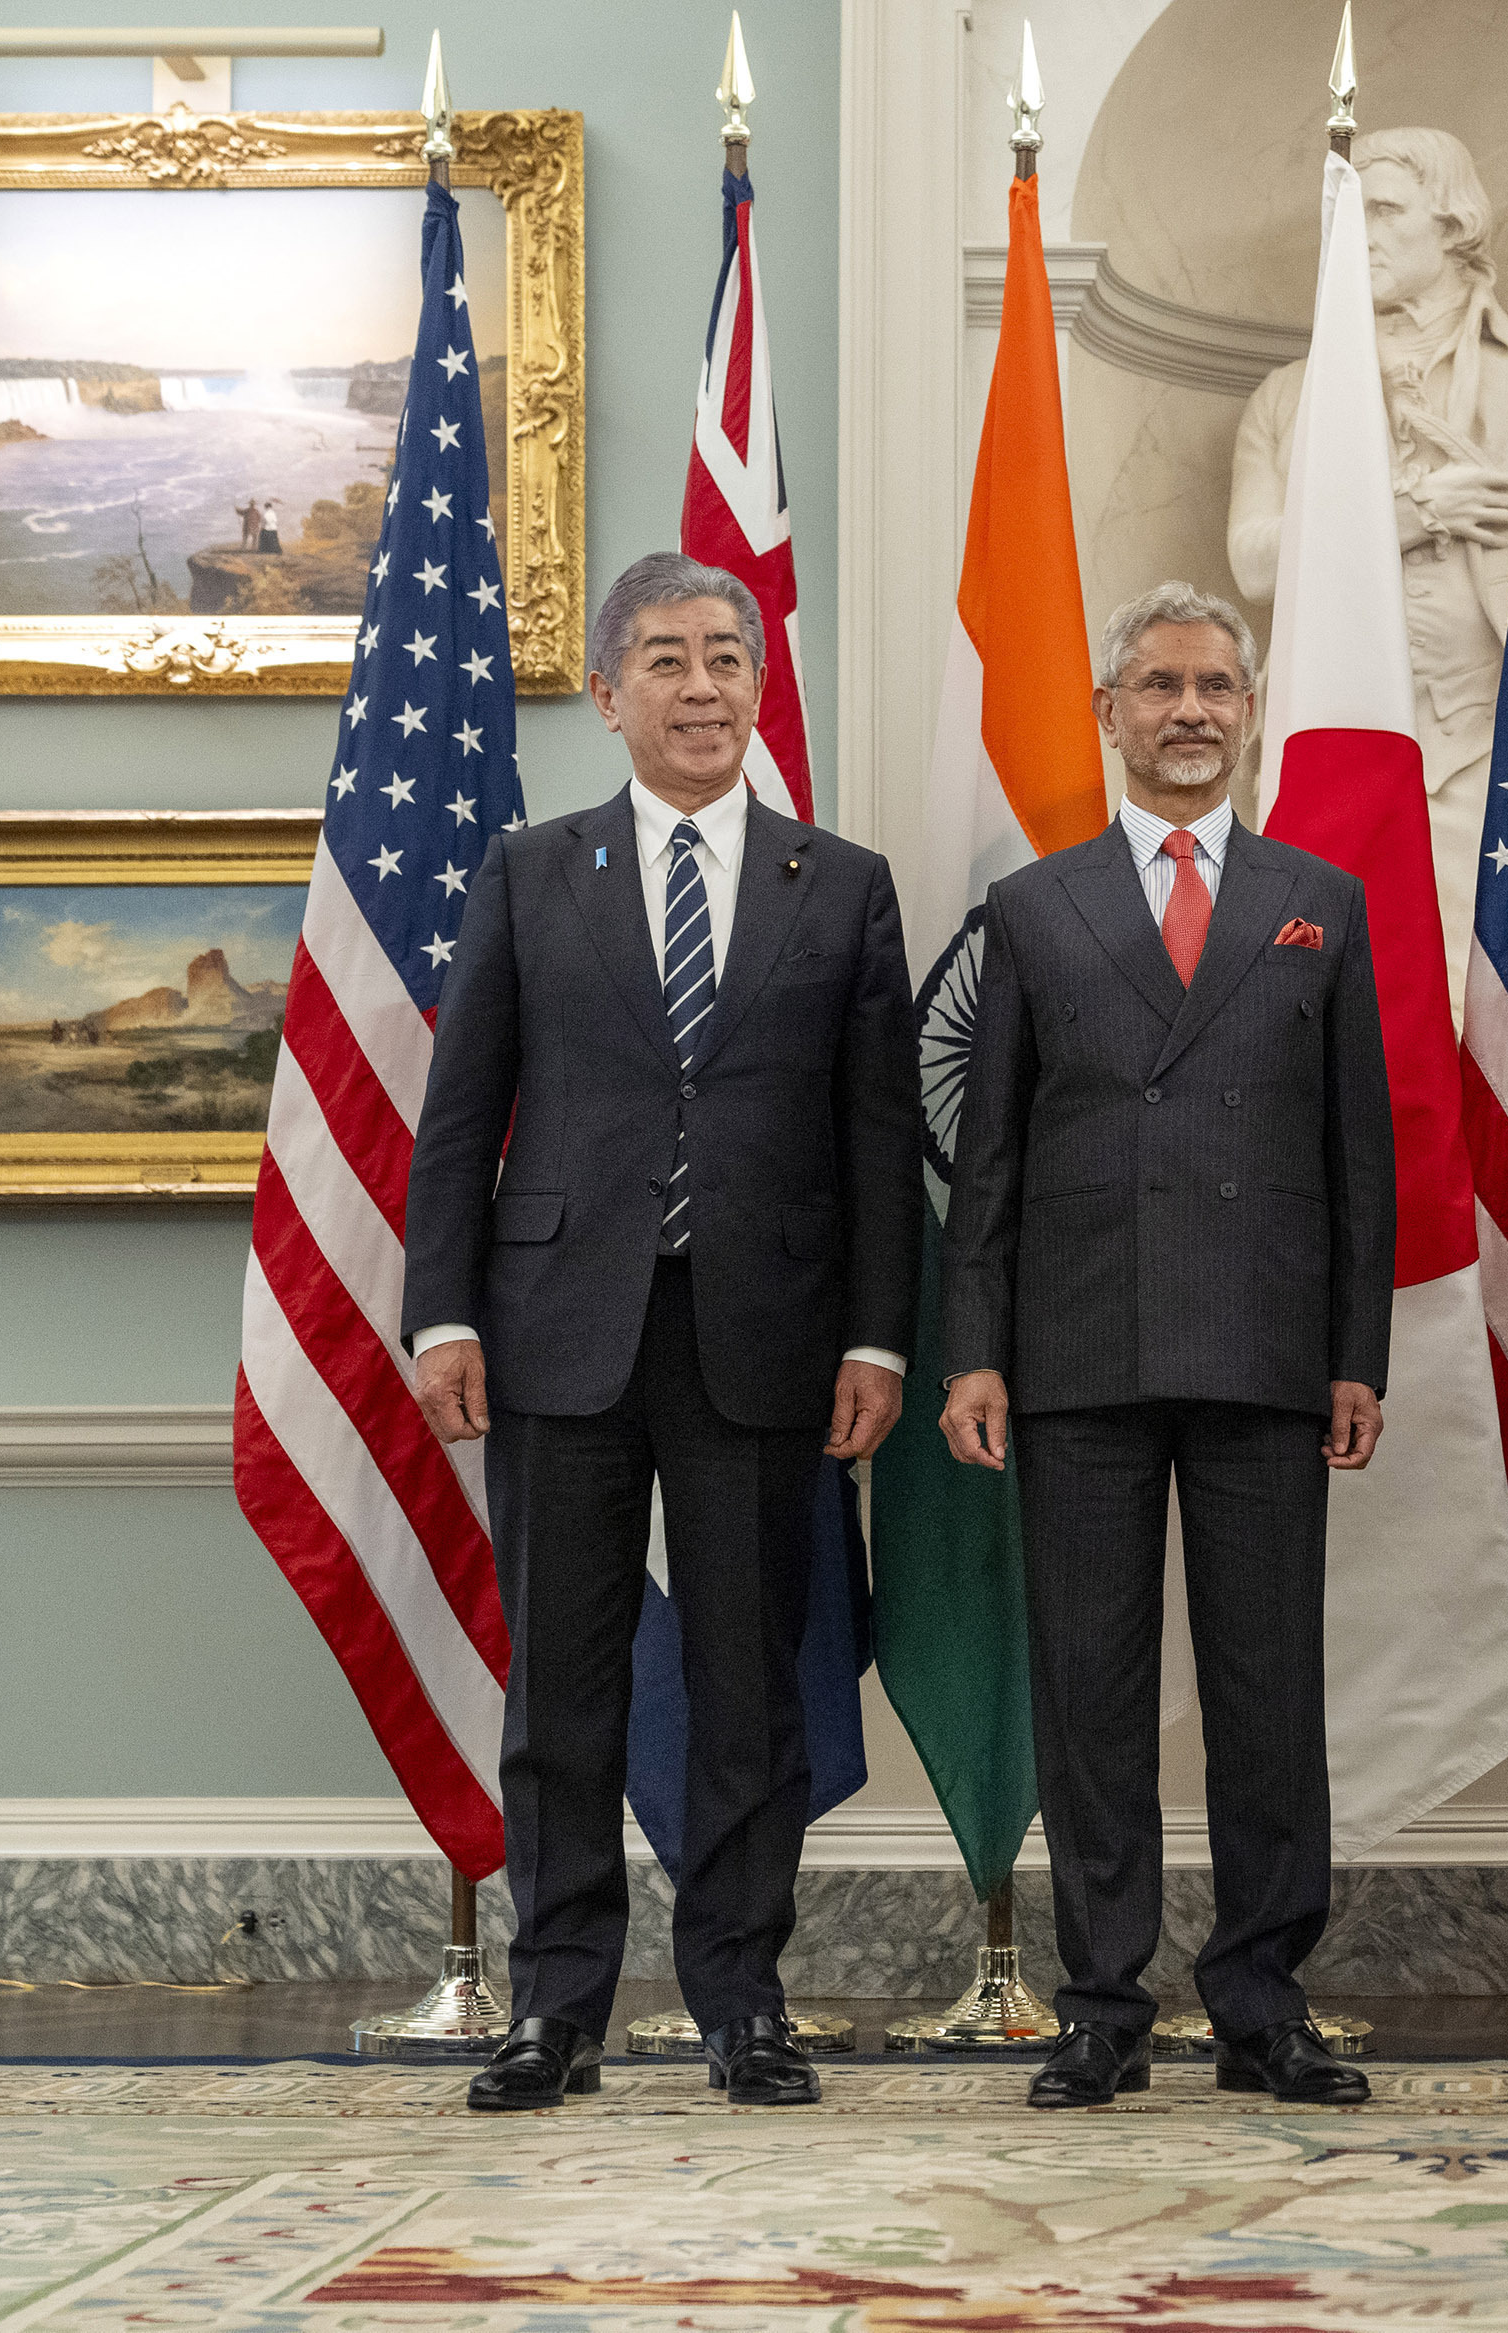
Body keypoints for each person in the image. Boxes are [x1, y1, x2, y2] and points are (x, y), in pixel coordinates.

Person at [402, 551, 917, 2112]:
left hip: (764, 1335)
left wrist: (878, 1340)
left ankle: (739, 2000)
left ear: (760, 685)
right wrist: (442, 1311)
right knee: (562, 1688)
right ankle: (556, 2005)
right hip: (558, 1330)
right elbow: (460, 1115)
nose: (704, 686)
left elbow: (879, 1138)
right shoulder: (527, 872)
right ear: (607, 693)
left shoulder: (841, 883)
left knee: (751, 1682)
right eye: (670, 660)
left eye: (729, 657)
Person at [938, 582, 1396, 2112]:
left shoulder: (1319, 895)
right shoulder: (1035, 906)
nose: (1188, 709)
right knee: (1093, 1690)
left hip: (1269, 1353)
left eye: (1214, 685)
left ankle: (1264, 2001)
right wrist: (974, 1351)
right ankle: (1100, 2003)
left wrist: (1357, 1354)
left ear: (1249, 707)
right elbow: (988, 1155)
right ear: (1108, 713)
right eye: (1158, 685)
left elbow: (1361, 1159)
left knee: (1270, 1694)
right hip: (1077, 1354)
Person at [1227, 125, 1508, 1029]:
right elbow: (1253, 559)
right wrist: (1410, 513)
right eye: (1349, 211)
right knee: (1338, 1014)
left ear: (1454, 224)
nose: (1359, 230)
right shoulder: (1290, 398)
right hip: (1334, 743)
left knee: (1497, 1019)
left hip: (1492, 750)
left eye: (1387, 209)